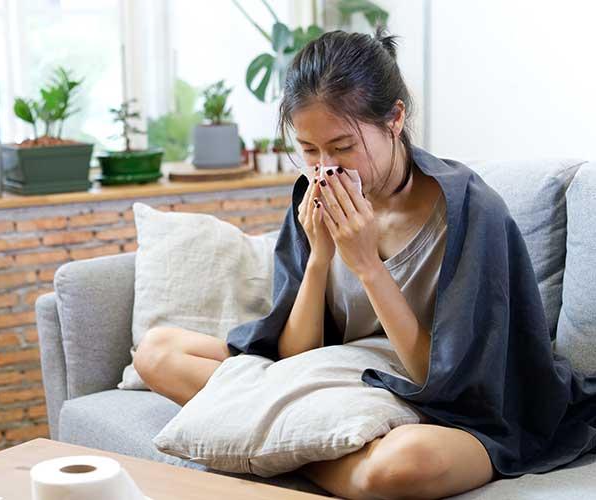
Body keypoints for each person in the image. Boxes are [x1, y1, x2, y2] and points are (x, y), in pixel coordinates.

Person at [134, 28, 596, 500]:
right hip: (336, 376)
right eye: (309, 150)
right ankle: (305, 441)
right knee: (157, 352)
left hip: (436, 398)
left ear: (394, 118)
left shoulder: (469, 210)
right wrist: (319, 259)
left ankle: (276, 444)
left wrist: (368, 266)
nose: (324, 169)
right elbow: (296, 357)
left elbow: (442, 378)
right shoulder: (315, 194)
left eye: (342, 146)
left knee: (401, 467)